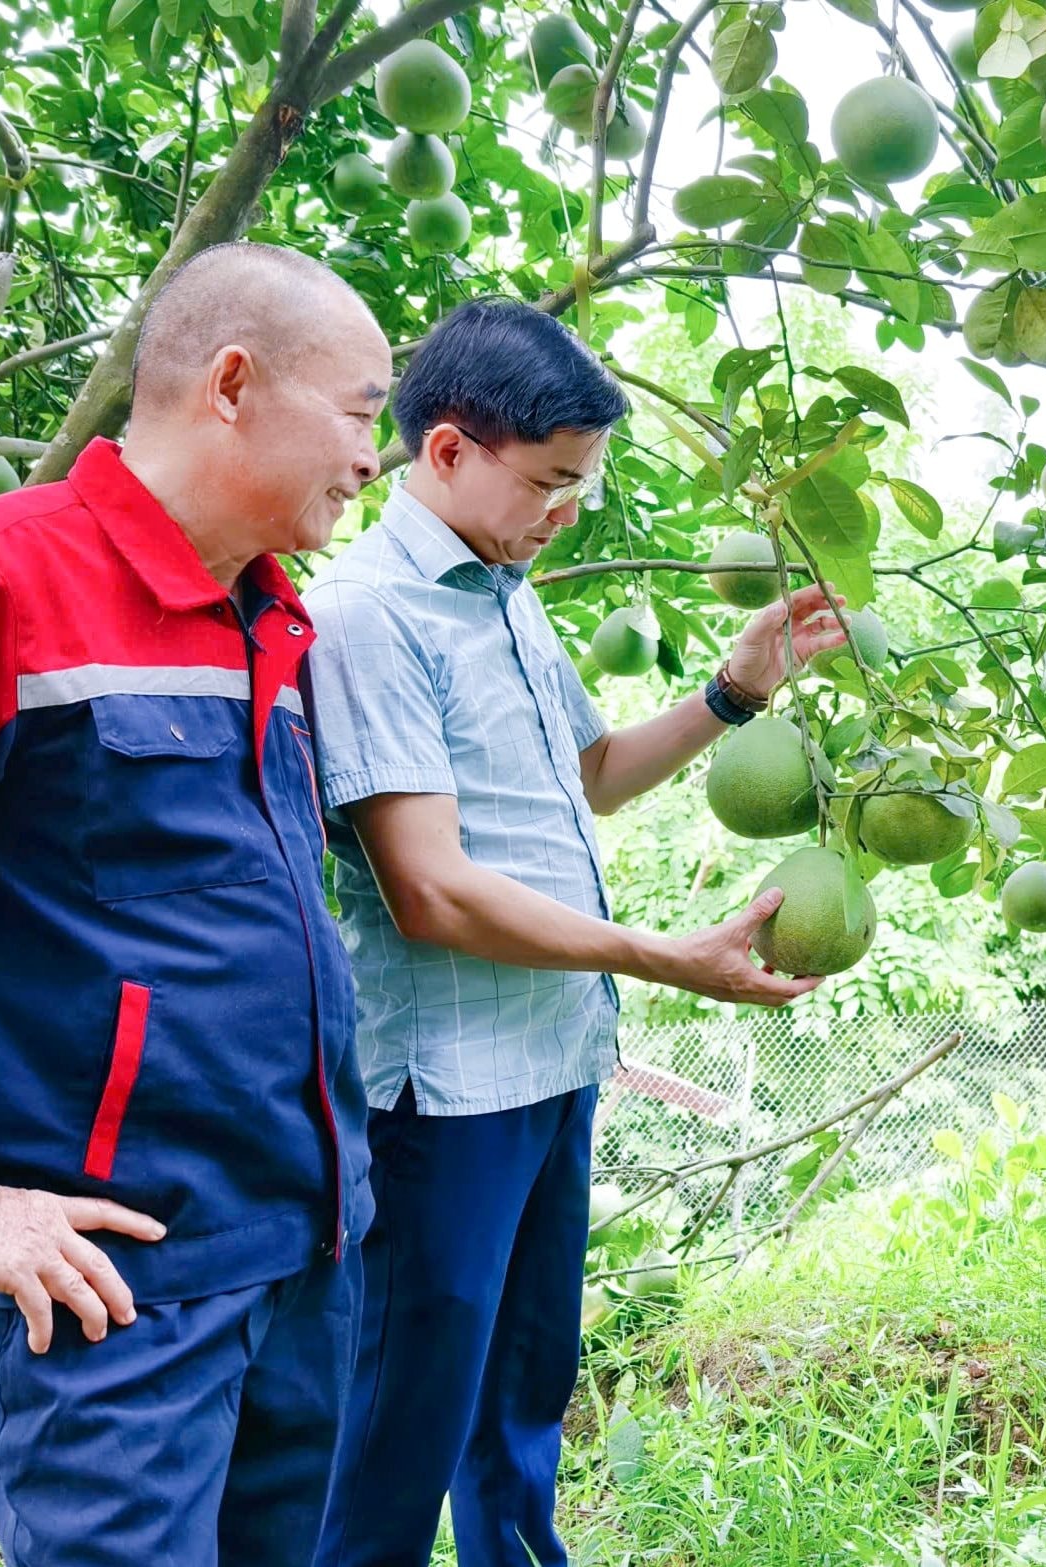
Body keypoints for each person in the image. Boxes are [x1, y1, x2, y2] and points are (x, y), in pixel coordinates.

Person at [304, 298, 845, 1567]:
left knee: (522, 1400)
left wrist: (734, 691)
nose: (565, 510)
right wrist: (664, 955)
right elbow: (427, 889)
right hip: (444, 1095)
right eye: (549, 481)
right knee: (401, 1421)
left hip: (550, 1065)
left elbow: (590, 772)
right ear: (446, 452)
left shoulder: (505, 595)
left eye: (579, 486)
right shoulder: (370, 616)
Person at [0, 242, 391, 1562]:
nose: (373, 455)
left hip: (307, 1257)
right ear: (235, 384)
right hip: (114, 1288)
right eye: (363, 412)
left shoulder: (268, 620)